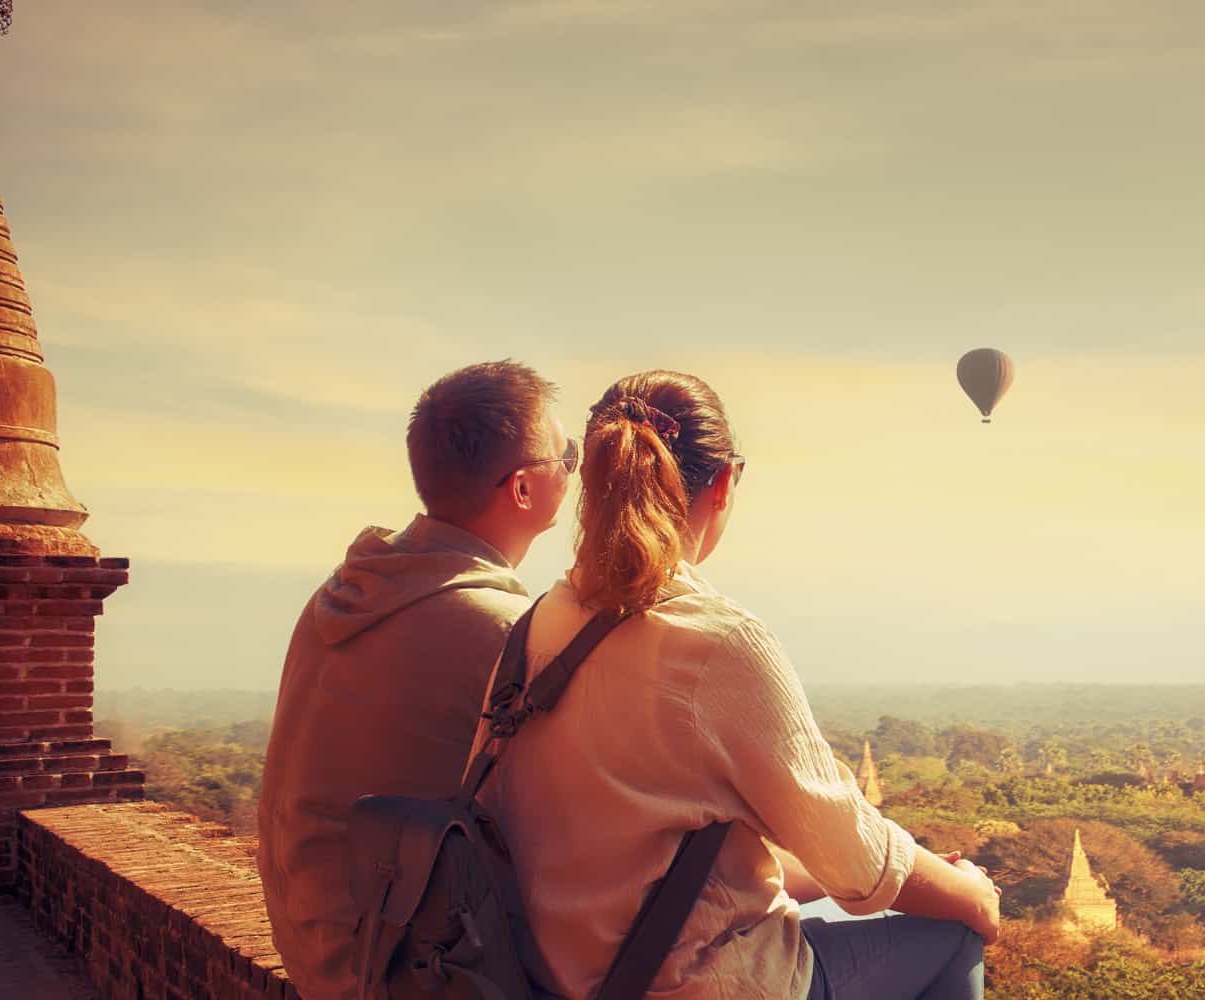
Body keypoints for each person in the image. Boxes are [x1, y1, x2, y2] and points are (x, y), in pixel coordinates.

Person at [480, 370, 997, 999]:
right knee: (953, 937)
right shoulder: (719, 642)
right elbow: (858, 864)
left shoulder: (537, 624)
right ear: (725, 484)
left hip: (548, 976)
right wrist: (969, 892)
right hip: (690, 985)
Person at [257, 361, 576, 999]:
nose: (574, 468)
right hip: (415, 970)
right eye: (567, 457)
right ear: (521, 489)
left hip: (322, 948)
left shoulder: (344, 594)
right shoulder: (504, 631)